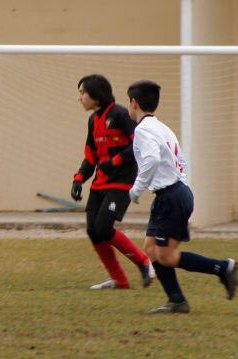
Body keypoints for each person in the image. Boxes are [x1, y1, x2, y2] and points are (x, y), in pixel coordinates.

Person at [127, 80, 236, 313]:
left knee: (165, 256)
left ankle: (222, 267)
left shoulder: (143, 130)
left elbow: (152, 160)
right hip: (174, 193)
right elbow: (182, 160)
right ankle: (176, 300)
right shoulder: (163, 128)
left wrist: (136, 190)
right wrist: (180, 188)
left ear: (133, 103)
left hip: (171, 196)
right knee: (150, 246)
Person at [71, 74, 153, 290]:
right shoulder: (93, 120)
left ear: (96, 95)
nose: (79, 98)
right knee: (93, 230)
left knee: (104, 228)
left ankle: (144, 262)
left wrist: (115, 161)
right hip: (100, 183)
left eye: (82, 92)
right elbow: (91, 156)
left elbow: (138, 145)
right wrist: (79, 179)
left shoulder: (120, 114)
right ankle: (119, 280)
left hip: (121, 183)